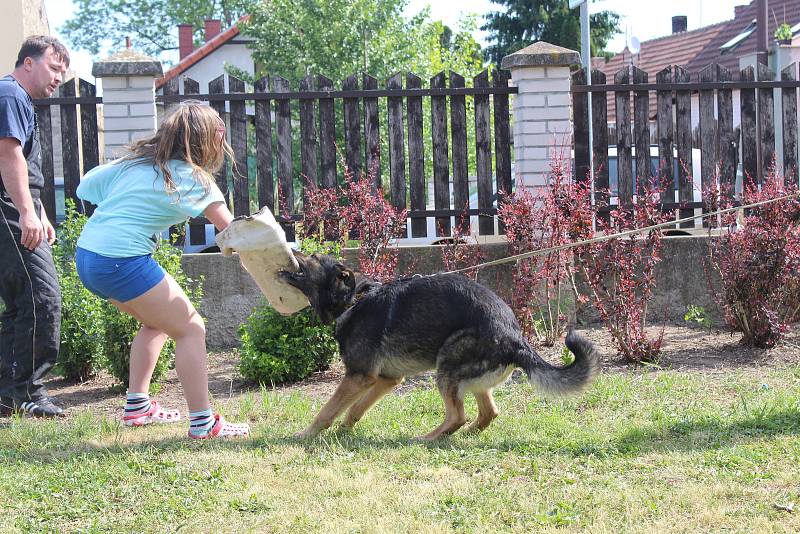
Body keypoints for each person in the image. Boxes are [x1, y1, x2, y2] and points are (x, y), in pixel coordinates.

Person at [74, 101, 249, 439]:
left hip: (88, 256)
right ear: (206, 139)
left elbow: (86, 186)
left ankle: (137, 406)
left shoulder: (136, 163)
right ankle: (203, 423)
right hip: (120, 259)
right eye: (218, 130)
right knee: (191, 328)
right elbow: (231, 232)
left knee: (156, 323)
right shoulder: (194, 178)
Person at [0, 36, 69, 417]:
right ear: (28, 62)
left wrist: (38, 211)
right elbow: (7, 154)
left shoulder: (17, 98)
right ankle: (28, 392)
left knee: (20, 304)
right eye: (54, 67)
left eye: (63, 71)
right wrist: (26, 212)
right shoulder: (9, 94)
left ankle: (9, 393)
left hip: (16, 206)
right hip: (7, 208)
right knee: (42, 297)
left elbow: (25, 164)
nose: (59, 77)